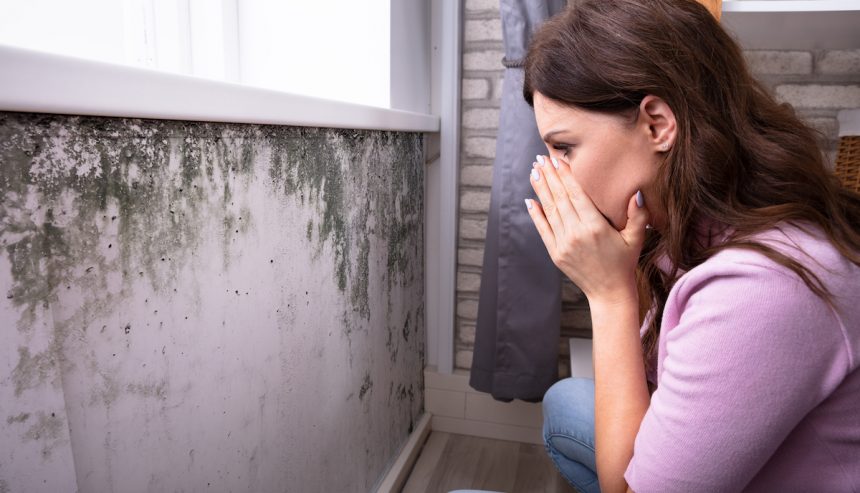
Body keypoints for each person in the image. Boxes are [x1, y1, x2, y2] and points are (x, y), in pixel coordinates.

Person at [519, 0, 860, 492]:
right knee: (565, 401)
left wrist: (608, 294)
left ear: (657, 124)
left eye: (565, 148)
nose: (553, 175)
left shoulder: (763, 289)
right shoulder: (691, 216)